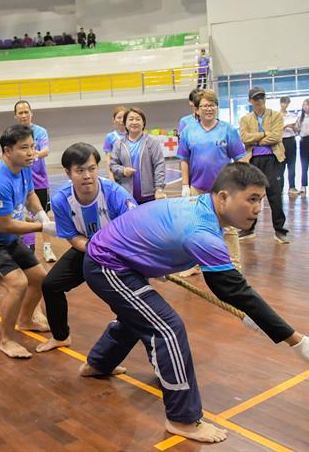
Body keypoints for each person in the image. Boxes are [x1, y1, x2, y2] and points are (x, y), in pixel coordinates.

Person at [82, 162, 309, 444]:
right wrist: (297, 342)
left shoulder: (204, 208)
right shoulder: (201, 231)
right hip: (107, 264)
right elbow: (236, 292)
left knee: (140, 314)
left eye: (260, 200)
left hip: (123, 258)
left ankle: (98, 364)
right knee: (166, 327)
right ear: (223, 197)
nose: (258, 209)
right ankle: (182, 418)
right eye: (251, 199)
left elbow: (230, 289)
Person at [0, 124, 55, 359]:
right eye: (24, 148)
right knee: (17, 284)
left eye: (33, 147)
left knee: (40, 279)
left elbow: (30, 194)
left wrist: (42, 215)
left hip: (7, 239)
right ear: (7, 150)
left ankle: (25, 320)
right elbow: (4, 224)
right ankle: (6, 340)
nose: (31, 152)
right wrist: (42, 227)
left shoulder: (25, 166)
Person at [37, 143, 136, 353]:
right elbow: (72, 237)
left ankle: (112, 351)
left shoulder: (115, 194)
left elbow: (134, 232)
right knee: (50, 285)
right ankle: (60, 336)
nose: (87, 175)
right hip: (88, 248)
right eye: (80, 170)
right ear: (68, 173)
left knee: (123, 301)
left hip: (119, 253)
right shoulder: (61, 200)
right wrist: (94, 248)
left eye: (91, 168)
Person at [178, 89, 246, 276]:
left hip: (224, 189)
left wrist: (240, 184)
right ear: (197, 110)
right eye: (204, 106)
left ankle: (234, 265)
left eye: (212, 105)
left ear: (217, 107)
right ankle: (196, 264)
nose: (209, 109)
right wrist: (185, 185)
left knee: (230, 227)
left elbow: (240, 158)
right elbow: (184, 159)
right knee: (196, 227)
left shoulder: (228, 130)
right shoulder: (188, 132)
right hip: (197, 188)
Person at [239, 87, 288, 243]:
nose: (259, 101)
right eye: (256, 98)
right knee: (251, 195)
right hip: (253, 161)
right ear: (250, 101)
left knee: (275, 194)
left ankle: (279, 230)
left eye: (262, 97)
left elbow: (276, 137)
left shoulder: (276, 115)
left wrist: (257, 140)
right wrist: (264, 134)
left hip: (273, 159)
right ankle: (248, 229)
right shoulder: (245, 119)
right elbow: (244, 138)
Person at [14, 100, 56, 262]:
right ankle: (24, 248)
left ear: (31, 113)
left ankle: (47, 249)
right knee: (20, 215)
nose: (24, 115)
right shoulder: (13, 134)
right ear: (16, 116)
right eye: (20, 112)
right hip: (18, 181)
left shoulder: (40, 131)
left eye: (26, 112)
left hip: (39, 182)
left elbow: (45, 150)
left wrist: (33, 155)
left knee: (42, 215)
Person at [110, 107, 166, 204]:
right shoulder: (118, 144)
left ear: (143, 122)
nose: (134, 122)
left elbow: (159, 165)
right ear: (125, 123)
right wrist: (123, 171)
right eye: (131, 119)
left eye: (138, 119)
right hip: (127, 196)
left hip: (150, 196)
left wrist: (159, 188)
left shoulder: (152, 141)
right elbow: (113, 165)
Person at [280, 96, 299, 195]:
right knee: (281, 165)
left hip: (291, 140)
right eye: (283, 103)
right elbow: (275, 131)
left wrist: (293, 127)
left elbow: (296, 130)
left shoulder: (291, 115)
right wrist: (284, 126)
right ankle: (280, 187)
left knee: (292, 164)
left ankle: (292, 187)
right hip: (281, 141)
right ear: (280, 104)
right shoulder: (277, 116)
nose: (285, 105)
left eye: (287, 103)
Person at [102, 106, 128, 180]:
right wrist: (111, 177)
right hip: (117, 175)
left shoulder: (133, 135)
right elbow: (108, 159)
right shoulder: (110, 137)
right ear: (114, 120)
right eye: (119, 117)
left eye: (124, 117)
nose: (122, 120)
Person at [293, 98, 309, 195]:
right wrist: (292, 127)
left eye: (307, 104)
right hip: (303, 141)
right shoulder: (300, 118)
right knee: (304, 164)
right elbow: (297, 130)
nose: (305, 107)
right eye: (304, 105)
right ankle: (303, 186)